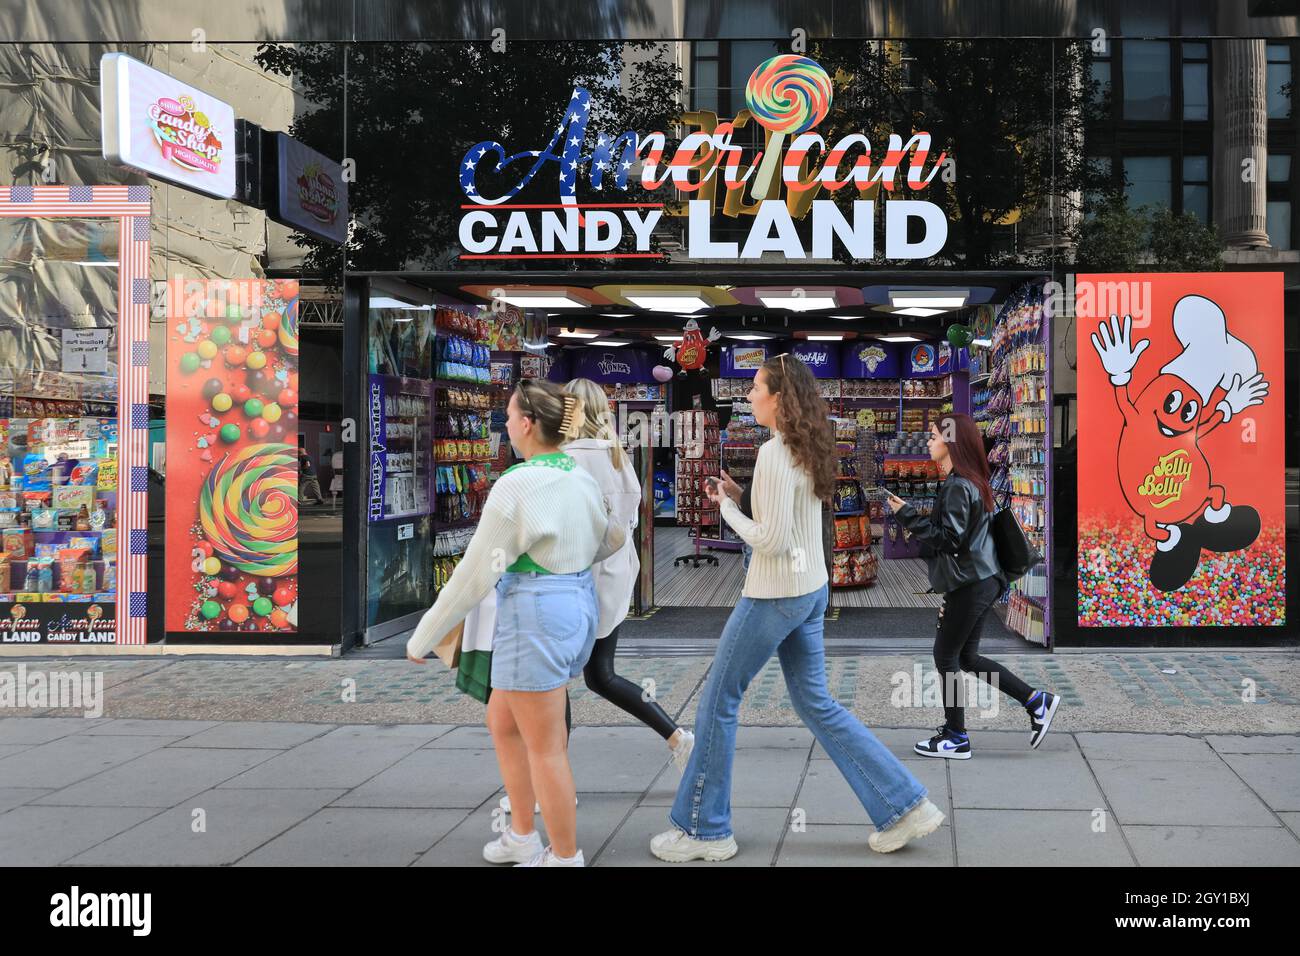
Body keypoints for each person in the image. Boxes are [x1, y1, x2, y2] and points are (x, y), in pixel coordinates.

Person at [651, 354, 944, 862]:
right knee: (816, 703)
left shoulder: (772, 452)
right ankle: (904, 805)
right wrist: (743, 498)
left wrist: (723, 509)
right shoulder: (806, 448)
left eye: (755, 388)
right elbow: (786, 521)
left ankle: (704, 828)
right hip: (810, 590)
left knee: (717, 702)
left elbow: (770, 540)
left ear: (779, 398)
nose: (748, 397)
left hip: (774, 594)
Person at [407, 378, 616, 867]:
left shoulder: (518, 483)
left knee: (545, 747)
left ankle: (564, 856)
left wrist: (426, 634)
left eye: (507, 416)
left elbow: (476, 571)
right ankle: (521, 834)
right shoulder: (578, 475)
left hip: (534, 612)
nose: (503, 424)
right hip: (574, 604)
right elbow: (612, 539)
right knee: (504, 722)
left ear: (527, 424)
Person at [886, 413, 1059, 759]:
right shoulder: (970, 481)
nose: (930, 442)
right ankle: (1035, 701)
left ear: (951, 443)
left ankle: (955, 736)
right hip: (982, 580)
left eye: (934, 436)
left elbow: (949, 540)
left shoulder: (956, 485)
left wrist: (907, 515)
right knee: (966, 656)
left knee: (945, 655)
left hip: (972, 583)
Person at [562, 378, 695, 770]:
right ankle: (677, 736)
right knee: (601, 675)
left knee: (553, 684)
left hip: (573, 580)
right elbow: (631, 517)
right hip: (615, 577)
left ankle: (553, 777)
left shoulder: (566, 457)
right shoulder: (618, 455)